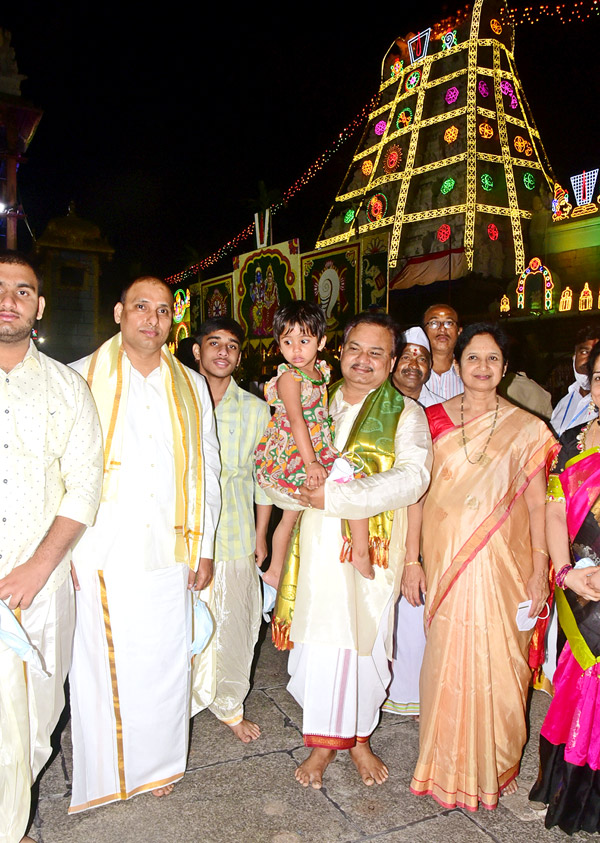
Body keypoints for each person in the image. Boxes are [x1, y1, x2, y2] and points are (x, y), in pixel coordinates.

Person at [68, 276, 221, 813]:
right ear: (118, 313)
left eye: (162, 310)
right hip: (101, 548)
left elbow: (208, 469)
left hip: (171, 546)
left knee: (162, 663)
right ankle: (109, 771)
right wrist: (63, 549)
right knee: (101, 664)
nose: (151, 319)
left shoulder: (191, 384)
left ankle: (157, 765)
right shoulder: (80, 376)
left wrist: (204, 546)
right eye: (141, 307)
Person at [279, 312, 431, 789]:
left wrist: (340, 497)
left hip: (370, 552)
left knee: (365, 645)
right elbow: (279, 456)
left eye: (376, 353)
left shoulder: (405, 413)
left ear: (392, 361)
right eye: (354, 350)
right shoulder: (313, 400)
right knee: (319, 644)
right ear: (338, 351)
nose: (363, 361)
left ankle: (361, 738)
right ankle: (323, 744)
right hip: (316, 547)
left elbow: (414, 477)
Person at [410, 323, 557, 811]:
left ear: (505, 368)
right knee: (445, 662)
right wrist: (412, 560)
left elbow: (538, 508)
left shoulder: (528, 428)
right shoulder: (430, 420)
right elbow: (415, 497)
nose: (481, 367)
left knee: (503, 661)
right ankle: (443, 762)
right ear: (457, 361)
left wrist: (540, 570)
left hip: (504, 569)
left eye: (492, 359)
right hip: (447, 561)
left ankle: (495, 762)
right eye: (473, 357)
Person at [0, 252, 103, 843]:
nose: (9, 299)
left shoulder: (67, 389)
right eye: (1, 288)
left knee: (37, 721)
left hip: (43, 584)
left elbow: (86, 484)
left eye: (23, 290)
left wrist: (38, 568)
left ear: (38, 306)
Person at [529, 340, 600, 835]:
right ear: (590, 386)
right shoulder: (572, 441)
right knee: (577, 682)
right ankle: (571, 792)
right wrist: (563, 570)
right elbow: (555, 511)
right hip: (579, 583)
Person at [191, 317, 271, 743]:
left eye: (232, 346)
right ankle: (178, 703)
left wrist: (261, 535)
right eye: (214, 343)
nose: (223, 351)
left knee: (237, 624)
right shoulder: (179, 400)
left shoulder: (256, 409)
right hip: (184, 533)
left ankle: (229, 705)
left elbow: (262, 479)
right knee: (179, 625)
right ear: (197, 351)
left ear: (240, 356)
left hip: (236, 531)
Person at [256, 300, 372, 586]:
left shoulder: (321, 372)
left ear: (320, 342)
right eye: (288, 341)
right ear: (279, 344)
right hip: (292, 452)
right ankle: (275, 571)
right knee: (291, 515)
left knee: (348, 485)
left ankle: (357, 550)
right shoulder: (289, 378)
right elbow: (297, 421)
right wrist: (311, 463)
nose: (296, 349)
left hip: (315, 446)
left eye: (304, 340)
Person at [384, 326, 442, 718]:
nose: (414, 364)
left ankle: (410, 692)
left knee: (412, 612)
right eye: (407, 355)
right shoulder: (376, 405)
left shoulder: (440, 412)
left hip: (424, 528)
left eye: (422, 357)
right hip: (377, 525)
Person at [550, 325, 599, 437]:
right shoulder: (564, 402)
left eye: (595, 355)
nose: (588, 361)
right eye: (584, 352)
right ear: (574, 357)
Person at [391, 327, 443, 408]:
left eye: (422, 359)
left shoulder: (441, 409)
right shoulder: (373, 402)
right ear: (393, 362)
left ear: (430, 365)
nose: (414, 365)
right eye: (406, 357)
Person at [422, 304, 463, 399]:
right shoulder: (412, 373)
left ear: (459, 332)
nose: (442, 328)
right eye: (434, 323)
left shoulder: (470, 374)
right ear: (423, 332)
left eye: (449, 323)